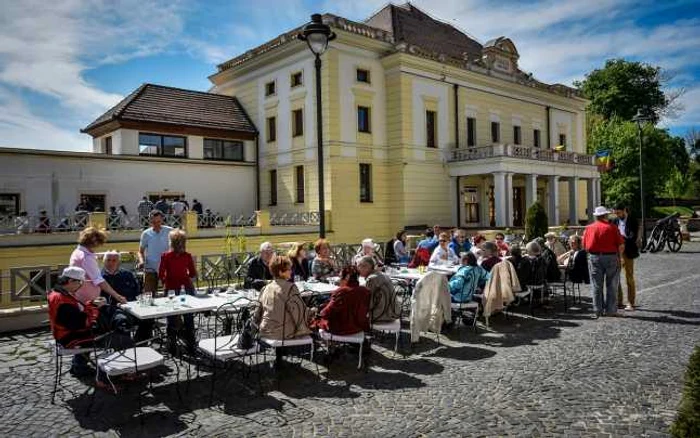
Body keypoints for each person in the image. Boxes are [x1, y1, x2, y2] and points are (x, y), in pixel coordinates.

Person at [48, 267, 132, 382]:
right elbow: (80, 324)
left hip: (63, 333)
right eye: (80, 282)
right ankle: (107, 376)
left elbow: (76, 316)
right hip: (70, 337)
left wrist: (91, 303)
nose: (81, 285)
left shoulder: (58, 293)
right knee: (121, 339)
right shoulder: (63, 300)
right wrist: (95, 307)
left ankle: (79, 366)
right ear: (71, 281)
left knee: (108, 331)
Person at [254, 256, 316, 367]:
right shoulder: (290, 287)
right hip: (282, 333)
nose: (291, 271)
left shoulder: (266, 287)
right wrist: (312, 312)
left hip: (265, 331)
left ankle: (280, 357)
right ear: (281, 272)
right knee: (312, 322)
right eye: (289, 269)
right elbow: (299, 312)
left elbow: (257, 312)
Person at [582, 206, 625, 318]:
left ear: (596, 216)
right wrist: (620, 257)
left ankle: (598, 310)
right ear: (605, 215)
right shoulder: (612, 227)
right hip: (611, 257)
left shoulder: (589, 228)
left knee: (596, 285)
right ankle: (611, 310)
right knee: (612, 285)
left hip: (594, 257)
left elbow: (584, 246)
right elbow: (621, 245)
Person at [102, 250, 153, 342]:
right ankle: (125, 347)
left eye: (114, 260)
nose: (111, 263)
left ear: (119, 262)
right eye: (108, 260)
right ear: (104, 261)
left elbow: (138, 293)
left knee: (149, 316)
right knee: (122, 321)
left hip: (132, 307)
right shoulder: (99, 278)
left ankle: (139, 343)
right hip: (113, 310)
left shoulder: (128, 274)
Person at [159, 229, 197, 352]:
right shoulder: (187, 256)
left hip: (171, 288)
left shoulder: (166, 256)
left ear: (171, 242)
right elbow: (192, 273)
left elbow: (161, 274)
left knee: (172, 317)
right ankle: (190, 344)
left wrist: (166, 282)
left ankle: (172, 345)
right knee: (188, 316)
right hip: (185, 287)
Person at [69, 227, 126, 305]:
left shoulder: (77, 252)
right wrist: (117, 296)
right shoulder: (86, 257)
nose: (98, 246)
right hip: (85, 300)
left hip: (79, 296)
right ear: (93, 242)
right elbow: (99, 280)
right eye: (99, 243)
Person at [313, 265, 370, 335]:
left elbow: (326, 313)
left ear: (346, 277)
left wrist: (319, 312)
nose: (339, 280)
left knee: (315, 319)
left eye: (340, 277)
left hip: (340, 329)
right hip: (358, 327)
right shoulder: (365, 291)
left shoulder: (341, 292)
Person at [612, 204, 641, 311]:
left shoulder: (632, 220)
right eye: (615, 213)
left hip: (628, 251)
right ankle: (619, 301)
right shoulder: (615, 221)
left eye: (619, 213)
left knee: (629, 277)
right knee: (616, 277)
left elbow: (633, 236)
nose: (617, 215)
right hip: (616, 252)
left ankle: (630, 302)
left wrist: (621, 239)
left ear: (624, 210)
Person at [138, 210, 173, 294]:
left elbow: (178, 246)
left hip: (167, 268)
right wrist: (141, 261)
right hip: (151, 268)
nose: (156, 224)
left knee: (170, 294)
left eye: (158, 221)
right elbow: (140, 251)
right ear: (150, 221)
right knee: (149, 294)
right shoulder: (145, 233)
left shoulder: (170, 231)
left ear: (162, 220)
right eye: (153, 222)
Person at [357, 256, 401, 323]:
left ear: (366, 267)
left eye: (358, 266)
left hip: (382, 315)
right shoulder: (382, 275)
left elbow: (369, 303)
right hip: (394, 312)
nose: (357, 269)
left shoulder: (371, 279)